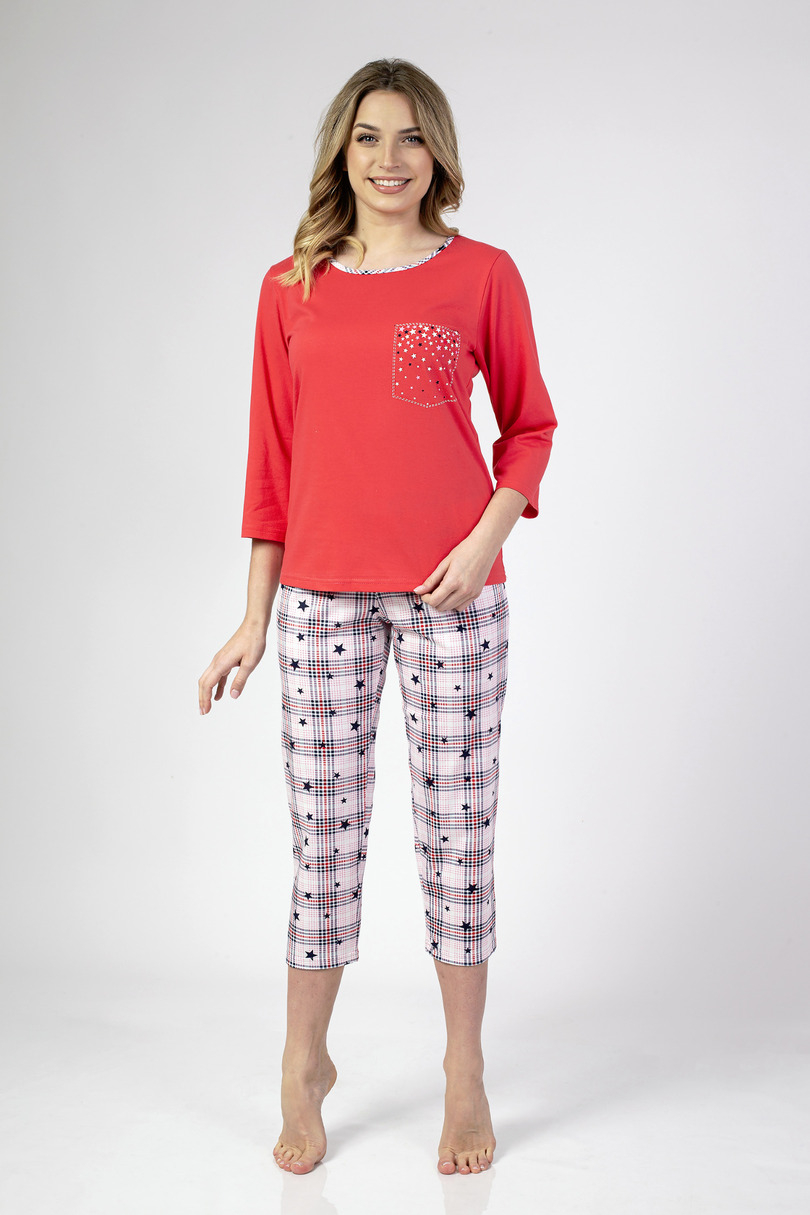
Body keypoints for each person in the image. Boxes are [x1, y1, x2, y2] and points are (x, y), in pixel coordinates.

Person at [198, 57, 557, 1178]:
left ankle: (464, 1071)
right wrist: (252, 618)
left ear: (437, 153)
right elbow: (271, 465)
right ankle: (304, 1064)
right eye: (367, 137)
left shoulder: (483, 274)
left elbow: (530, 428)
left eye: (410, 137)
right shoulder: (290, 286)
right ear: (340, 153)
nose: (389, 159)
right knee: (324, 841)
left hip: (454, 599)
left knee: (458, 837)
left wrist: (483, 542)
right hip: (318, 600)